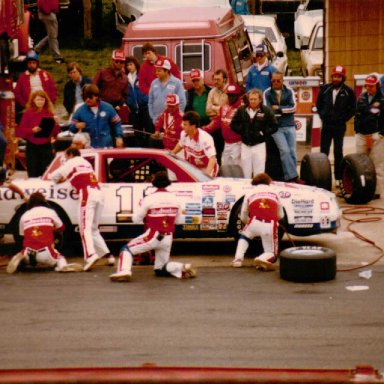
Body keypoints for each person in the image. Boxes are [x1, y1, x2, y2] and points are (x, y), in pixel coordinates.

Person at [110, 171, 196, 282]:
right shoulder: (176, 199)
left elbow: (136, 220)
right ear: (168, 183)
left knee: (126, 250)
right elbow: (179, 220)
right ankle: (181, 267)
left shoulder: (149, 199)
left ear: (154, 183)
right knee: (160, 269)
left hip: (153, 235)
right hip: (168, 237)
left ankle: (124, 271)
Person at [49, 147, 115, 270]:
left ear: (70, 154)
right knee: (94, 228)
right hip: (98, 193)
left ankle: (91, 255)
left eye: (66, 156)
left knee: (84, 228)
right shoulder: (86, 163)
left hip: (87, 193)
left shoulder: (70, 162)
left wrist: (61, 179)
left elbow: (53, 176)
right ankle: (108, 255)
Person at [6, 192, 82, 274]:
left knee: (24, 252)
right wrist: (52, 229)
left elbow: (22, 235)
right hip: (46, 253)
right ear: (44, 201)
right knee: (60, 257)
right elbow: (61, 228)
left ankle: (20, 260)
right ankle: (62, 266)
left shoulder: (24, 215)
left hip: (29, 252)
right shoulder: (50, 212)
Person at [231, 173, 284, 270]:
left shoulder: (249, 193)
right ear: (268, 182)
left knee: (244, 236)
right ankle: (261, 258)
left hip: (254, 221)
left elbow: (243, 214)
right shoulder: (275, 192)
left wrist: (248, 222)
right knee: (272, 254)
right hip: (270, 225)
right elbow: (281, 215)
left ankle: (238, 259)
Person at [316, 65, 356, 186]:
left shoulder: (348, 91)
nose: (336, 79)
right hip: (327, 124)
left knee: (338, 152)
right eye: (334, 76)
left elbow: (352, 108)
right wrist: (323, 115)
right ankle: (322, 177)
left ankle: (339, 178)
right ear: (332, 76)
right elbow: (319, 104)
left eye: (339, 76)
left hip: (339, 126)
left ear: (343, 78)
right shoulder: (325, 89)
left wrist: (343, 118)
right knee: (324, 151)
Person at [231, 88, 278, 179]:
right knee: (245, 173)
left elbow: (274, 126)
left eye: (255, 99)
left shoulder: (266, 111)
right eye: (251, 99)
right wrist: (243, 131)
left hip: (259, 145)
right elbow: (233, 124)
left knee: (259, 173)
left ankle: (259, 191)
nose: (252, 101)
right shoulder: (241, 110)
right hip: (245, 145)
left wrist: (262, 133)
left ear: (260, 99)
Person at [264, 71, 302, 183]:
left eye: (278, 80)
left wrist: (279, 108)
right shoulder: (267, 93)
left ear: (282, 80)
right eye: (273, 80)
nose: (275, 82)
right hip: (276, 127)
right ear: (271, 80)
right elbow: (268, 110)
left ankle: (292, 176)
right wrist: (284, 110)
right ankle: (292, 177)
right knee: (284, 151)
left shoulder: (290, 91)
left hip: (290, 125)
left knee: (292, 152)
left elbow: (294, 108)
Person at [17, 90, 60, 177]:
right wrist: (32, 130)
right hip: (32, 146)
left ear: (45, 101)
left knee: (47, 173)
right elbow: (21, 131)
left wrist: (56, 124)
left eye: (42, 100)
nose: (40, 102)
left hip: (46, 145)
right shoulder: (27, 113)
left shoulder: (49, 113)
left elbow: (55, 133)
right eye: (38, 100)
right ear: (33, 100)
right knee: (33, 173)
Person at [354, 73, 384, 199]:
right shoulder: (361, 98)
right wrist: (356, 130)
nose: (369, 88)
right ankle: (363, 188)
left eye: (372, 86)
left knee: (377, 164)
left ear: (377, 86)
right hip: (362, 135)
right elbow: (358, 115)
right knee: (361, 164)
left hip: (376, 135)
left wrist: (381, 134)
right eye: (367, 85)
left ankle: (376, 191)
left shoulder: (382, 100)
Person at [69, 84, 124, 148]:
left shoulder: (108, 108)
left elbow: (117, 123)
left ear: (96, 96)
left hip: (107, 147)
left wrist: (119, 137)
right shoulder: (80, 111)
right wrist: (76, 126)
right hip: (89, 148)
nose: (87, 99)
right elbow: (71, 128)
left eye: (90, 97)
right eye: (85, 97)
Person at [202, 84, 243, 168]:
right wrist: (203, 129)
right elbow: (216, 123)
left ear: (238, 95)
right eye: (229, 95)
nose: (230, 97)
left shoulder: (242, 109)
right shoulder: (224, 107)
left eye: (233, 95)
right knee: (225, 168)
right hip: (226, 143)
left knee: (238, 169)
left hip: (238, 144)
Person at [171, 111, 218, 177]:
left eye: (185, 124)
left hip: (208, 168)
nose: (182, 126)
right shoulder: (183, 133)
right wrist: (171, 154)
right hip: (194, 168)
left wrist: (207, 177)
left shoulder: (205, 138)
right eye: (183, 124)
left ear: (193, 126)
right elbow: (180, 144)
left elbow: (212, 158)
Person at [14, 50, 57, 115]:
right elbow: (17, 93)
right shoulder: (22, 77)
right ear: (27, 64)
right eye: (29, 63)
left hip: (45, 104)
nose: (31, 65)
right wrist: (25, 104)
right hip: (31, 106)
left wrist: (51, 102)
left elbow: (53, 89)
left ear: (37, 63)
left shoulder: (45, 74)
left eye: (33, 63)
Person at [125, 56, 153, 147]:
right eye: (127, 65)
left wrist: (145, 100)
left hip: (145, 108)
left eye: (131, 64)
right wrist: (129, 103)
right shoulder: (125, 79)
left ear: (135, 65)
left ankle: (151, 151)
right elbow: (125, 93)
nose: (129, 67)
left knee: (149, 131)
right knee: (138, 133)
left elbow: (149, 89)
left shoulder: (142, 75)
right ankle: (141, 152)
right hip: (134, 111)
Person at [148, 58, 186, 125]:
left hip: (172, 122)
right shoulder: (154, 83)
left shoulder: (177, 83)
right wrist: (153, 117)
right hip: (157, 121)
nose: (156, 73)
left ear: (166, 71)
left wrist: (176, 118)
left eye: (159, 71)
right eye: (156, 70)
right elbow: (150, 102)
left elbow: (182, 102)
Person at [93, 50, 129, 116]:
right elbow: (93, 88)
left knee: (113, 125)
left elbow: (125, 95)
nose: (119, 63)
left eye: (121, 62)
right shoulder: (102, 72)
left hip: (115, 108)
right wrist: (97, 102)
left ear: (124, 63)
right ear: (112, 61)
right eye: (117, 61)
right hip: (101, 106)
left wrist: (119, 105)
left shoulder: (125, 78)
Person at [206, 69, 228, 165]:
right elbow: (207, 110)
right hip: (215, 125)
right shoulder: (212, 92)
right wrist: (221, 109)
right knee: (216, 150)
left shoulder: (230, 91)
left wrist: (215, 107)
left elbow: (229, 110)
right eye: (214, 79)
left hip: (226, 125)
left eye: (218, 79)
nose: (215, 82)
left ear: (224, 79)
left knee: (226, 152)